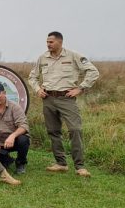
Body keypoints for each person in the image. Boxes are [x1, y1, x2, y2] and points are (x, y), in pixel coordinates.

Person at [28, 31, 100, 177]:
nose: (48, 44)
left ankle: (80, 166)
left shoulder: (73, 56)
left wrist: (80, 88)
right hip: (48, 98)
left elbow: (93, 72)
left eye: (51, 42)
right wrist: (37, 89)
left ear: (60, 42)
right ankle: (61, 163)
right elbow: (32, 77)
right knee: (53, 131)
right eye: (47, 42)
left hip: (66, 98)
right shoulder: (42, 58)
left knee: (75, 130)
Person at [0, 83, 31, 174]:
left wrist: (13, 136)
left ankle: (20, 163)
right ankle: (6, 159)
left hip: (13, 141)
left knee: (23, 139)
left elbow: (24, 126)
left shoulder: (15, 107)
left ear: (4, 93)